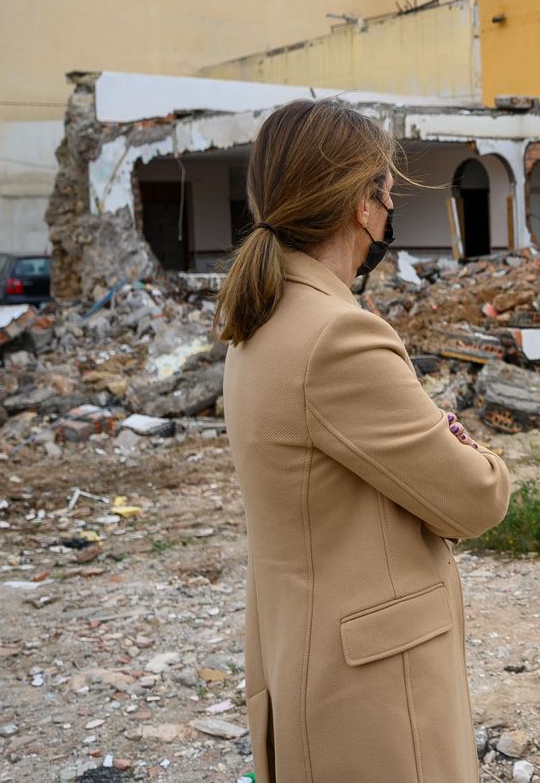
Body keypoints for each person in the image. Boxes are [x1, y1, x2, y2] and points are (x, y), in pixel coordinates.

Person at [217, 98, 510, 783]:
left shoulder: (259, 319)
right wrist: (471, 447)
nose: (390, 205)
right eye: (387, 188)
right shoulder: (337, 335)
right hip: (373, 696)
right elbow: (476, 497)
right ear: (361, 204)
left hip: (305, 660)